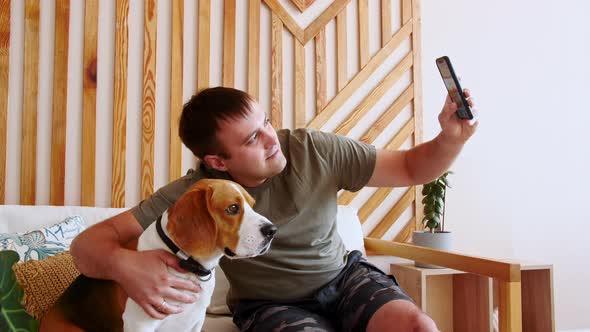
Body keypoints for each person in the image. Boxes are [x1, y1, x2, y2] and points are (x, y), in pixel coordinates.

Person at [71, 86, 478, 331]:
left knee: (417, 326)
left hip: (345, 279)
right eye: (251, 139)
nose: (271, 139)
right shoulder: (197, 194)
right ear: (218, 162)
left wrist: (451, 139)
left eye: (266, 122)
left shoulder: (312, 149)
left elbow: (409, 167)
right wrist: (125, 266)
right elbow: (86, 245)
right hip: (269, 306)